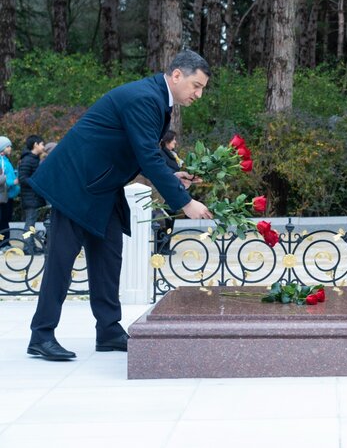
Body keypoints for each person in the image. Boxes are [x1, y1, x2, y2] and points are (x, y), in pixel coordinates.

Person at [27, 50, 214, 361]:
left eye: (202, 88)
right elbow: (146, 155)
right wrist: (184, 202)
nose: (198, 94)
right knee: (61, 260)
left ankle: (109, 330)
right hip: (77, 184)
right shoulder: (145, 98)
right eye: (196, 85)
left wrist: (172, 174)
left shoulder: (156, 98)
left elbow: (138, 152)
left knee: (109, 257)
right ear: (177, 75)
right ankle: (41, 334)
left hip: (103, 187)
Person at [17, 135, 47, 255]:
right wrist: (36, 182)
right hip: (30, 198)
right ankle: (27, 247)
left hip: (34, 197)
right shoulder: (28, 160)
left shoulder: (34, 159)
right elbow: (22, 178)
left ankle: (31, 246)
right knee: (29, 224)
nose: (43, 146)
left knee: (31, 224)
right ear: (35, 144)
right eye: (42, 144)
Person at [155, 130, 183, 255]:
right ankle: (160, 248)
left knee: (170, 220)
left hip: (173, 193)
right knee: (163, 220)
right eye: (173, 140)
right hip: (164, 194)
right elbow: (165, 170)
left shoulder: (172, 154)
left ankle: (166, 246)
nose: (175, 142)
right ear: (167, 142)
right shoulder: (161, 154)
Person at [0, 136, 20, 251]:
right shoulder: (1, 161)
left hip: (8, 196)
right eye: (8, 146)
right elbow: (2, 179)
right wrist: (13, 181)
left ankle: (5, 243)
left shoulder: (6, 160)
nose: (10, 148)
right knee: (2, 222)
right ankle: (3, 244)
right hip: (3, 197)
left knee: (5, 221)